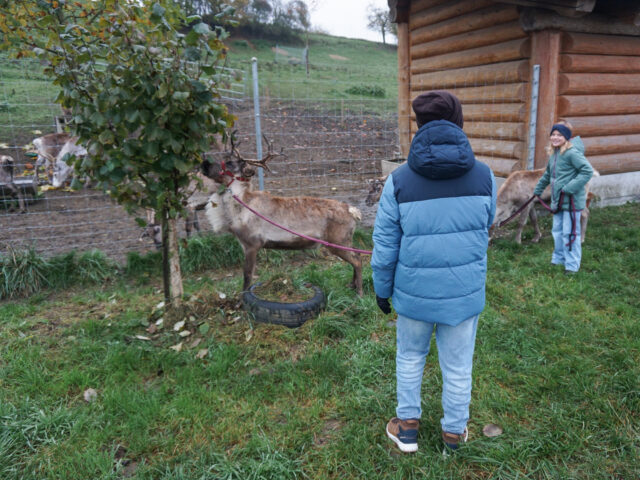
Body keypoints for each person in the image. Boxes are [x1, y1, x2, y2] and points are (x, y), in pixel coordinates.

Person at [371, 90, 496, 454]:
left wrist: (382, 289)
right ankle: (453, 434)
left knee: (410, 356)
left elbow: (384, 245)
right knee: (458, 365)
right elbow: (487, 225)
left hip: (413, 294)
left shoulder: (398, 181)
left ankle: (407, 429)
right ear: (459, 123)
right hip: (463, 294)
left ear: (420, 125)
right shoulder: (486, 178)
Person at [533, 121, 593, 274]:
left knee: (570, 232)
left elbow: (587, 171)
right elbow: (547, 174)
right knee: (557, 230)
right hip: (558, 200)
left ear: (566, 137)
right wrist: (538, 189)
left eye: (559, 135)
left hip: (572, 200)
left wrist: (570, 187)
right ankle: (558, 258)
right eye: (553, 134)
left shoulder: (572, 153)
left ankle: (572, 265)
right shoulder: (555, 153)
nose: (555, 137)